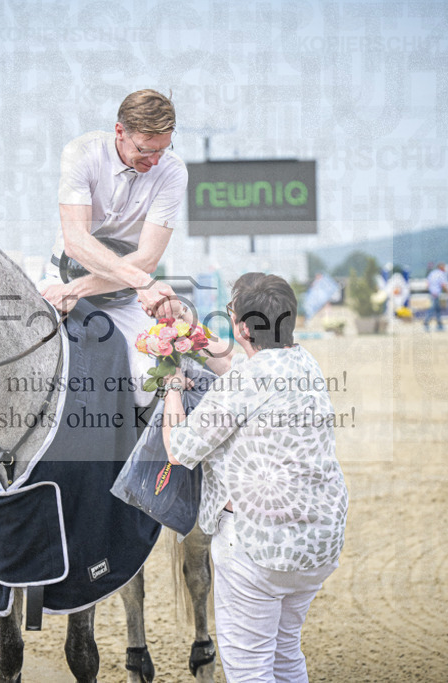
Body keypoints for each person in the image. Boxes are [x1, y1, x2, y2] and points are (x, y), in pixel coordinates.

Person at [160, 273, 348, 683]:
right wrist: (189, 330)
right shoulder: (304, 362)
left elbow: (178, 449)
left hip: (259, 548)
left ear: (243, 329)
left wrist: (171, 387)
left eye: (232, 313)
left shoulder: (240, 385)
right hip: (318, 543)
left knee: (250, 670)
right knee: (285, 654)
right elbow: (233, 362)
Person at [40, 89, 188, 405]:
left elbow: (147, 258)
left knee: (144, 383)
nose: (155, 160)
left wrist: (77, 290)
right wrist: (143, 283)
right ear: (120, 131)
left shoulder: (173, 172)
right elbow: (77, 242)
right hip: (60, 278)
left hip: (123, 296)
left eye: (163, 150)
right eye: (145, 149)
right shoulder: (81, 152)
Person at [424, 263, 448, 331]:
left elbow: (427, 284)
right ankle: (427, 322)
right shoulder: (441, 274)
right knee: (434, 309)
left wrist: (431, 290)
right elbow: (443, 284)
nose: (445, 269)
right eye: (444, 267)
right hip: (436, 293)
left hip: (432, 292)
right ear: (441, 268)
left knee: (436, 309)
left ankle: (439, 324)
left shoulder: (432, 273)